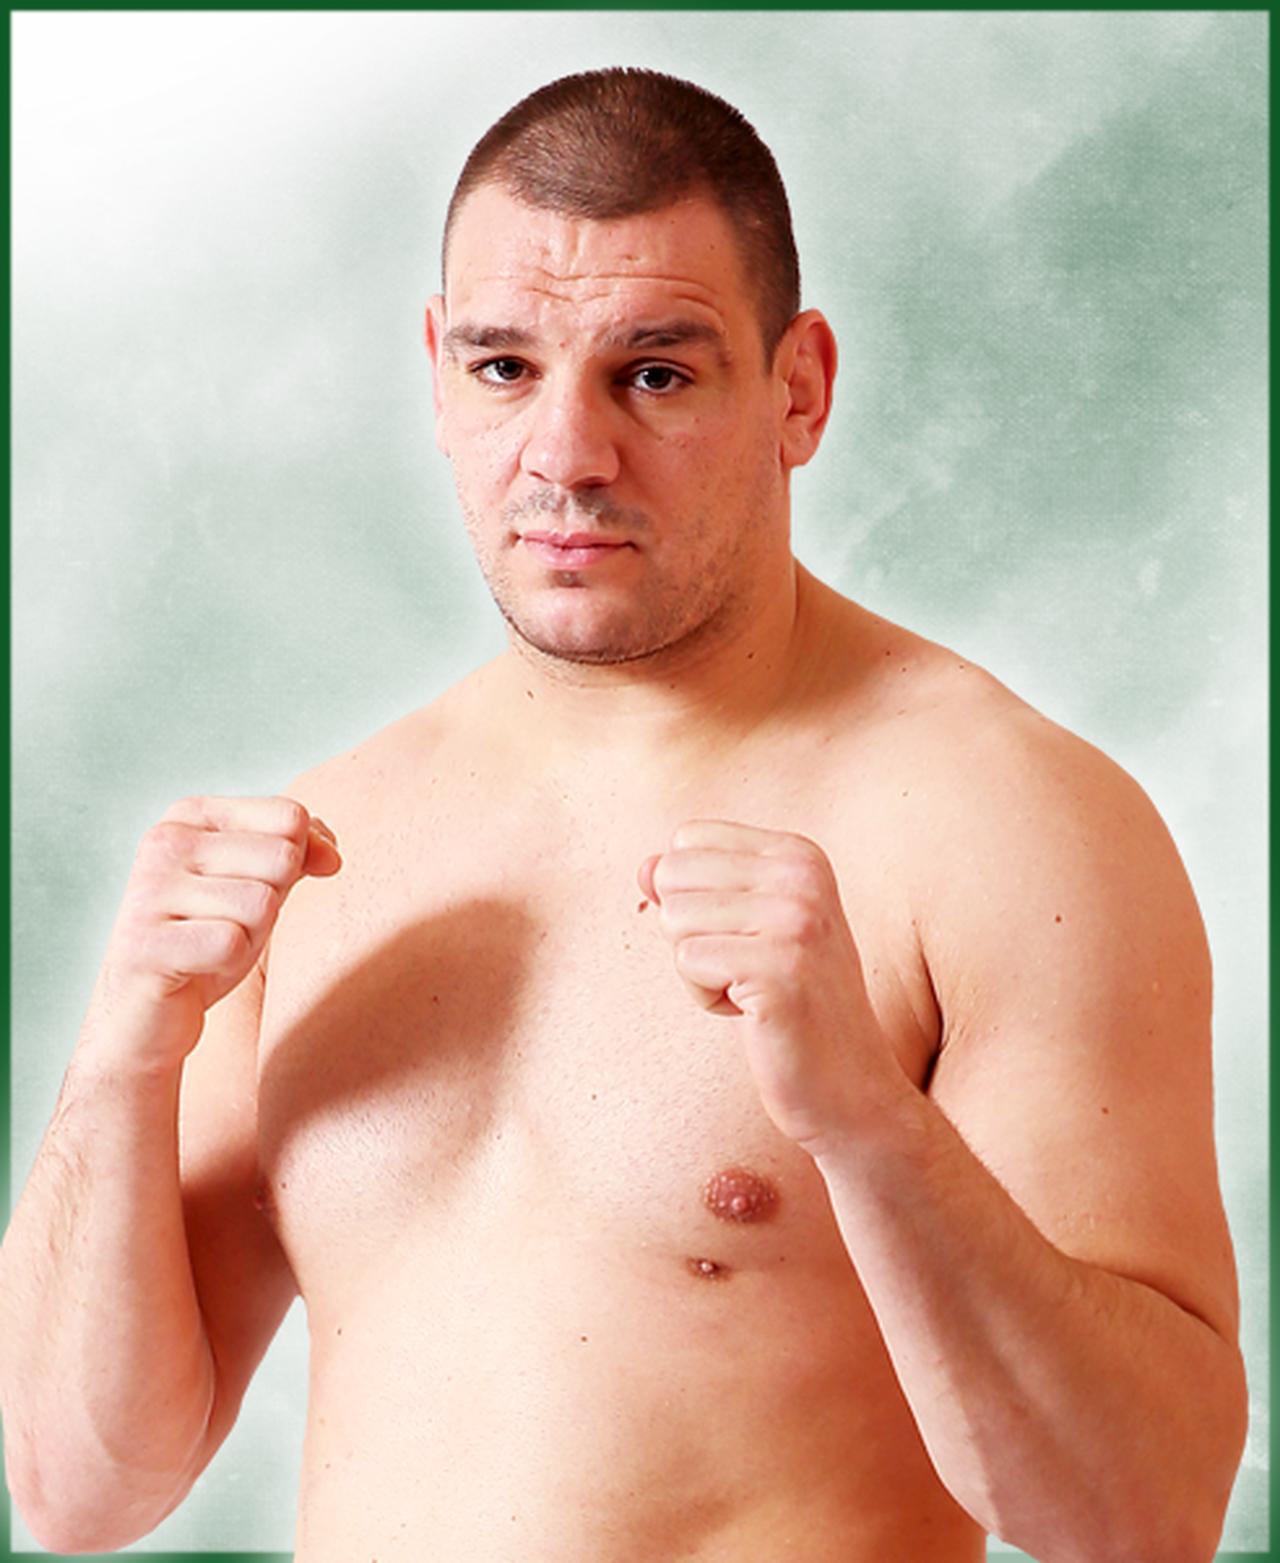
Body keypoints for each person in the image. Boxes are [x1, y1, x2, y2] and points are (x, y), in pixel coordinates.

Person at [0, 66, 1247, 1562]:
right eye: (504, 367)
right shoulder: (329, 844)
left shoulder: (1007, 827)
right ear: (437, 373)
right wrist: (120, 1062)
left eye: (654, 375)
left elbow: (1146, 1515)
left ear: (799, 390)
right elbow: (81, 1490)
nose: (566, 457)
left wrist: (865, 1125)